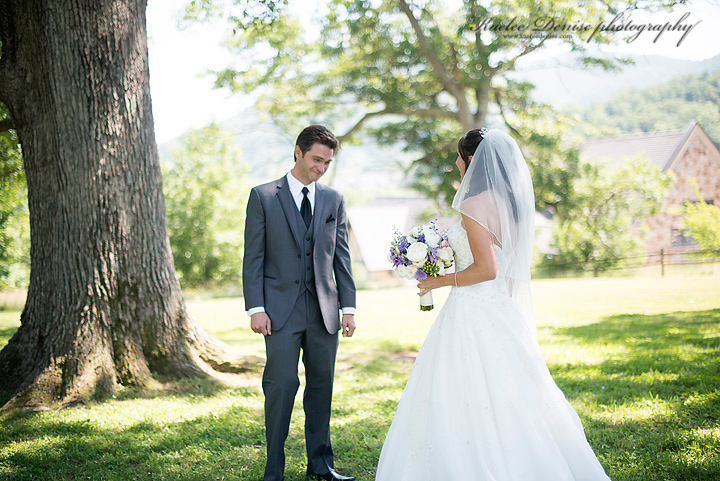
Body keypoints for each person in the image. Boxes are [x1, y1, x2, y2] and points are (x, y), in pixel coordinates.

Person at [375, 128, 612, 480]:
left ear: (471, 159)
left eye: (459, 158)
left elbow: (487, 269)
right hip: (500, 308)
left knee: (459, 390)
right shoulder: (511, 205)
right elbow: (510, 270)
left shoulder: (472, 204)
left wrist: (438, 280)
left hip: (470, 311)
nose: (456, 164)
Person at [243, 125, 357, 481]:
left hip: (324, 311)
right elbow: (253, 257)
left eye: (327, 162)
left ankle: (321, 466)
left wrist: (349, 308)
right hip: (279, 311)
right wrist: (256, 308)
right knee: (281, 386)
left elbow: (341, 257)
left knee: (322, 387)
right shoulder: (263, 196)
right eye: (316, 159)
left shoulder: (334, 199)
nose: (321, 168)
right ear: (298, 152)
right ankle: (273, 471)